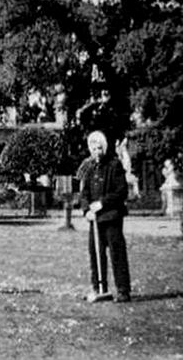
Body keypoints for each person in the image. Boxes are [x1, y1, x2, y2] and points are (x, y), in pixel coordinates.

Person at [78, 130, 132, 303]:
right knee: (96, 254)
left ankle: (123, 290)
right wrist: (86, 210)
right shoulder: (89, 167)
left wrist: (101, 203)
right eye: (93, 149)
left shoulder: (114, 165)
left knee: (117, 254)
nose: (96, 152)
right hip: (95, 221)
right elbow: (84, 193)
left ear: (105, 148)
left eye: (99, 148)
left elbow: (121, 191)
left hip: (112, 218)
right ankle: (99, 288)